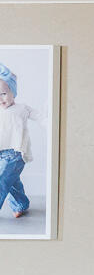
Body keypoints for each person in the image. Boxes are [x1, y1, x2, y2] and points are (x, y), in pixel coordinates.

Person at [0, 63, 44, 219]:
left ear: (13, 92)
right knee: (12, 183)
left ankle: (19, 204)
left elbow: (41, 117)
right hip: (1, 153)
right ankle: (21, 204)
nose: (1, 98)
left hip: (15, 154)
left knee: (1, 180)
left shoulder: (21, 109)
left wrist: (50, 124)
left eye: (4, 93)